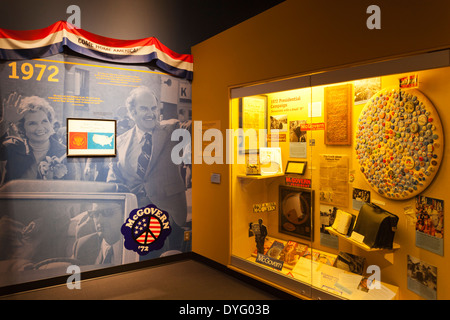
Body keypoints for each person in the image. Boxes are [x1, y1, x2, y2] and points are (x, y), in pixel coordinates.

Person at [107, 86, 187, 255]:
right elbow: (113, 179)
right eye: (144, 108)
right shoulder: (120, 141)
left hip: (168, 215)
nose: (151, 113)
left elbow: (195, 127)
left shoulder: (172, 130)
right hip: (134, 215)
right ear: (132, 112)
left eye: (153, 108)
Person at [0, 93, 80, 185]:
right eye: (32, 123)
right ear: (22, 128)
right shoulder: (14, 148)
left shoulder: (64, 153)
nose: (40, 128)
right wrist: (5, 122)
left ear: (50, 123)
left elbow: (71, 189)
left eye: (44, 121)